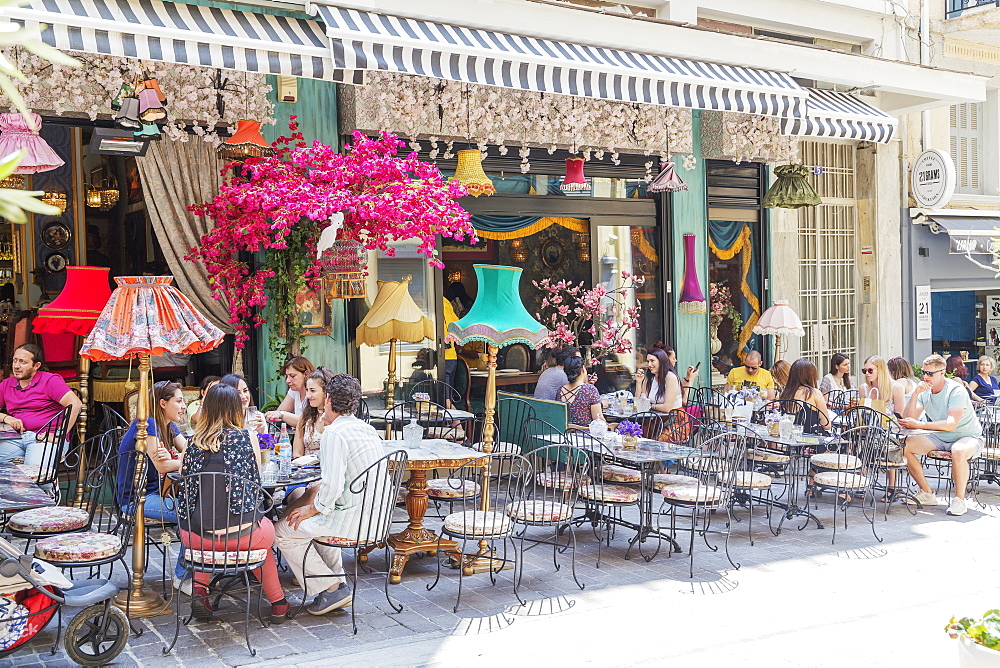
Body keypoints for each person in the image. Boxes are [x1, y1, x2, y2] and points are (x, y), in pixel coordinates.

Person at [274, 374, 387, 615]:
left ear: (328, 400)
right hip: (377, 518)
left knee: (282, 531)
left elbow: (332, 487)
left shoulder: (335, 433)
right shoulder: (366, 429)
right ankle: (337, 586)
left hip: (354, 520)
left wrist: (312, 508)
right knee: (316, 520)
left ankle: (330, 587)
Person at [177, 384, 289, 622]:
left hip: (195, 539)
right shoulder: (248, 437)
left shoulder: (190, 442)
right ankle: (279, 603)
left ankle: (199, 590)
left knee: (206, 527)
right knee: (262, 540)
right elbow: (256, 481)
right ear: (235, 410)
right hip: (242, 538)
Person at [116, 380, 189, 590]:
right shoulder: (148, 423)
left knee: (198, 505)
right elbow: (162, 466)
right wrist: (183, 460)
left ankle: (197, 567)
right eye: (179, 401)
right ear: (163, 403)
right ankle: (183, 576)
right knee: (192, 513)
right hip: (136, 499)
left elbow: (188, 449)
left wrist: (182, 457)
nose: (183, 406)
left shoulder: (167, 424)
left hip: (158, 491)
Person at [899, 354, 984, 517]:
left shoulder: (955, 390)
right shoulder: (925, 391)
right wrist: (916, 393)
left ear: (942, 372)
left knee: (958, 450)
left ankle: (959, 500)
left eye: (930, 374)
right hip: (940, 437)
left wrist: (920, 425)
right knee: (906, 445)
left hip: (968, 436)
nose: (925, 377)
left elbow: (951, 424)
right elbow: (908, 419)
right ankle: (927, 493)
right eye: (924, 372)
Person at [0, 344, 82, 464]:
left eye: (23, 362)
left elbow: (75, 404)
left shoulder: (50, 380)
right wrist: (6, 417)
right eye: (15, 360)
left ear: (36, 366)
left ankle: (49, 483)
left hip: (44, 438)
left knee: (36, 475)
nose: (16, 366)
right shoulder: (7, 384)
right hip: (15, 438)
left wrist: (58, 435)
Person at [778, 359, 831, 432]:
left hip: (791, 438)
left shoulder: (785, 394)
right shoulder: (814, 393)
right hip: (812, 439)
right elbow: (826, 425)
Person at [294, 367, 336, 458]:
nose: (308, 395)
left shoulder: (336, 417)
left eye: (312, 390)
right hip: (306, 468)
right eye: (307, 390)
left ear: (326, 392)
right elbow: (296, 453)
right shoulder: (305, 418)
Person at [265, 357, 315, 429]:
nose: (287, 380)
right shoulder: (294, 391)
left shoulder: (315, 394)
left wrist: (282, 414)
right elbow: (279, 413)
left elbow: (310, 422)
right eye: (287, 376)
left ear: (306, 374)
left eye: (292, 376)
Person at [219, 374, 266, 441]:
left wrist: (262, 433)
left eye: (245, 391)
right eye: (237, 393)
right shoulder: (220, 419)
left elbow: (267, 448)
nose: (244, 396)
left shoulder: (257, 416)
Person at [558, 356, 603, 427]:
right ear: (583, 369)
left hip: (565, 434)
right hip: (585, 435)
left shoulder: (560, 390)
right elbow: (599, 421)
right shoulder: (590, 390)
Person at [635, 347, 682, 412]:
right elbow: (638, 403)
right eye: (648, 361)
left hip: (672, 418)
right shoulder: (649, 377)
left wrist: (650, 406)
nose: (649, 364)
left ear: (661, 361)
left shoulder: (670, 377)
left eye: (652, 361)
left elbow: (667, 408)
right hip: (653, 417)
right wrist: (639, 382)